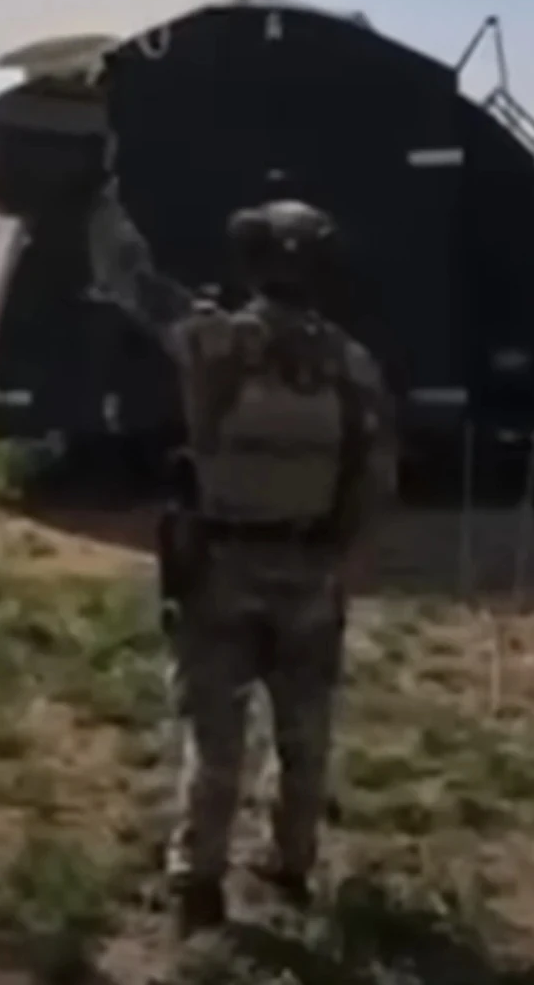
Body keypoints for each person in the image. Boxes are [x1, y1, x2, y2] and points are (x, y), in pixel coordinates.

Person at [85, 177, 397, 936]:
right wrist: (335, 553)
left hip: (220, 571)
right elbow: (376, 476)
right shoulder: (352, 364)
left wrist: (99, 189)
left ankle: (199, 888)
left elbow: (129, 275)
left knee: (214, 739)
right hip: (308, 579)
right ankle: (290, 866)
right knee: (304, 738)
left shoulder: (213, 341)